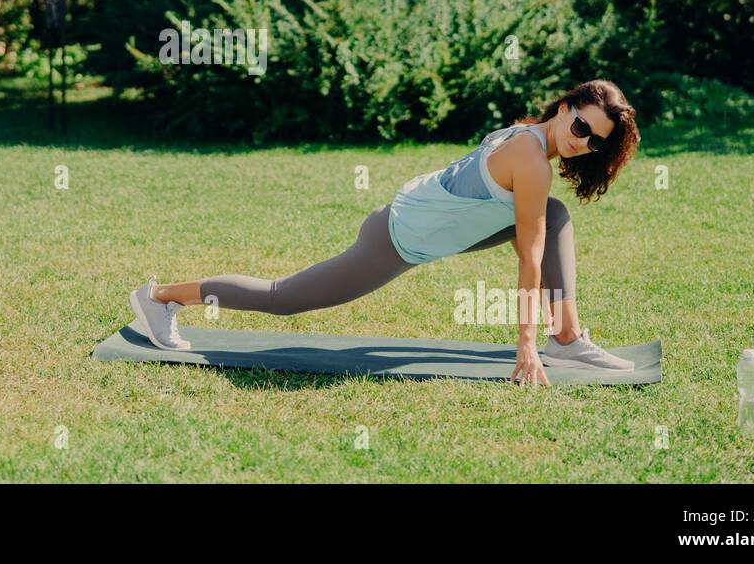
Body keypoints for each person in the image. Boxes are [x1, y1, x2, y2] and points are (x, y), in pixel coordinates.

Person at [128, 79, 642, 386]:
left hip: (424, 223)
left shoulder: (530, 137)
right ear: (564, 108)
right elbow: (530, 260)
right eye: (581, 127)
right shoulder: (531, 160)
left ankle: (568, 338)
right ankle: (161, 298)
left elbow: (526, 235)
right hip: (393, 240)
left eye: (595, 142)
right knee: (285, 298)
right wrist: (525, 344)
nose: (583, 143)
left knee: (552, 217)